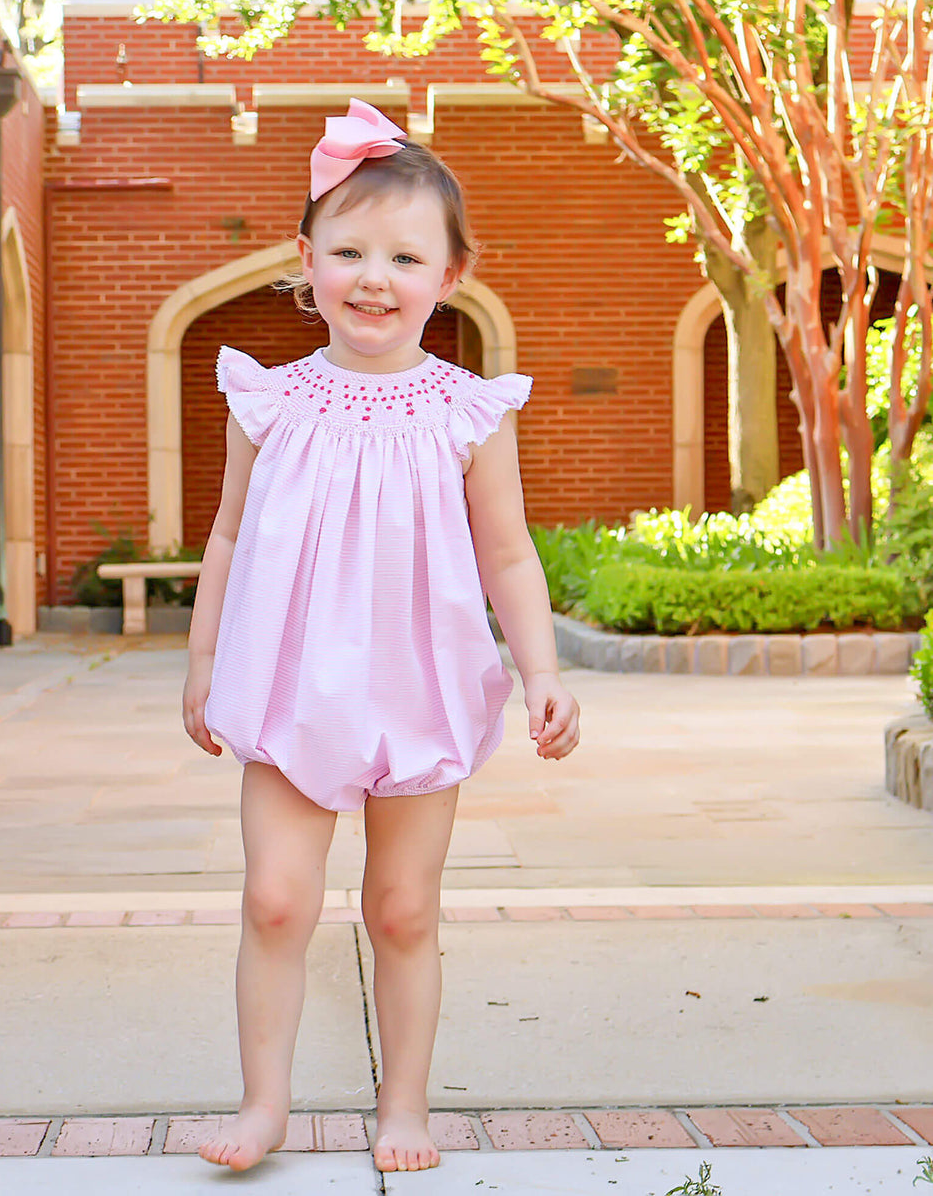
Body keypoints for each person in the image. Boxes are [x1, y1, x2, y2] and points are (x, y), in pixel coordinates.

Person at [182, 98, 580, 1175]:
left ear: (450, 275)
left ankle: (402, 1103)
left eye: (404, 256)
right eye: (347, 250)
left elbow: (505, 554)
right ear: (302, 262)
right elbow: (224, 535)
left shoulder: (466, 411)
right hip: (289, 686)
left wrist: (539, 668)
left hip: (414, 686)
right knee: (274, 898)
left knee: (401, 908)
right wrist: (204, 659)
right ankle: (262, 1102)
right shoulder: (266, 401)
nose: (372, 277)